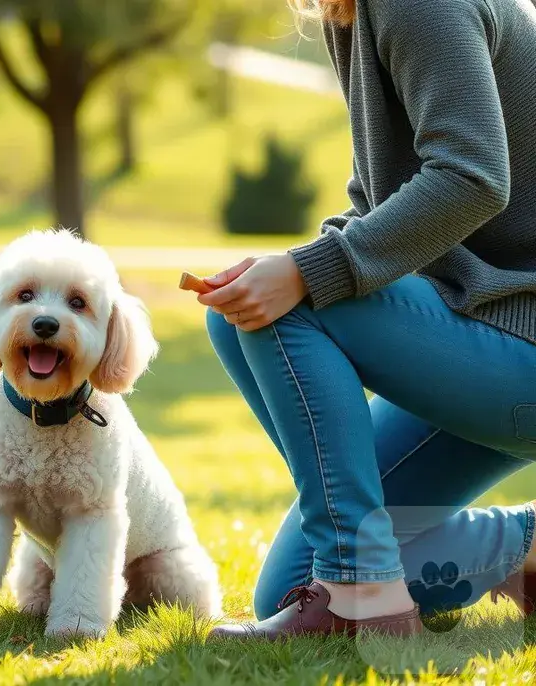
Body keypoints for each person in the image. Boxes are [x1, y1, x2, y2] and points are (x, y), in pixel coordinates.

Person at [201, 0, 536, 639]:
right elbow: (380, 202)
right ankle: (523, 545)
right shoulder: (354, 12)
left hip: (519, 343)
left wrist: (303, 273)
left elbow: (472, 177)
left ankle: (361, 589)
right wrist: (291, 266)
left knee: (287, 303)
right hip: (490, 336)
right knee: (288, 583)